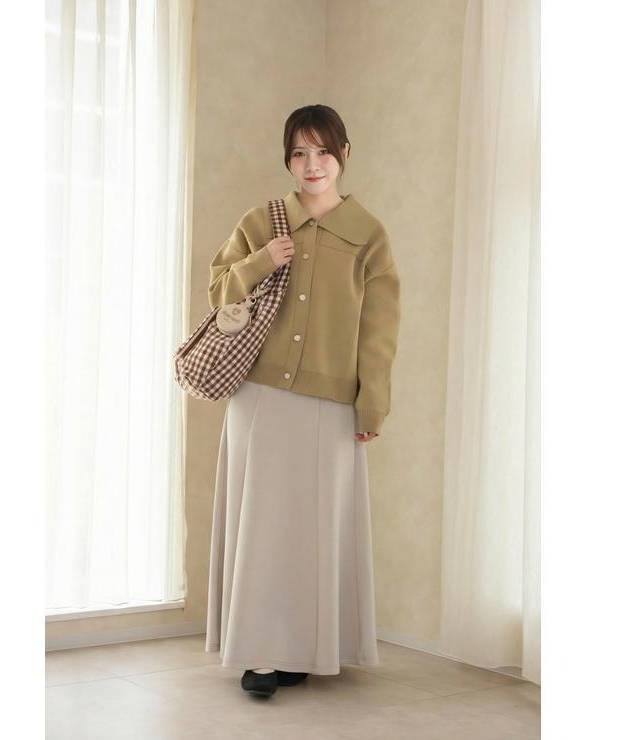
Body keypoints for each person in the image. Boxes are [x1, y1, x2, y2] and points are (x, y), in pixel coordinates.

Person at [204, 104, 401, 698]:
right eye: (299, 153)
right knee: (263, 528)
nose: (312, 165)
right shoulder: (261, 222)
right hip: (260, 396)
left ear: (344, 154)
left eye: (323, 152)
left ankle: (305, 649)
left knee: (314, 530)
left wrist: (372, 405)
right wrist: (264, 259)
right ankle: (261, 654)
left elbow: (380, 329)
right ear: (287, 160)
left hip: (332, 401)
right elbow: (218, 291)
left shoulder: (369, 235)